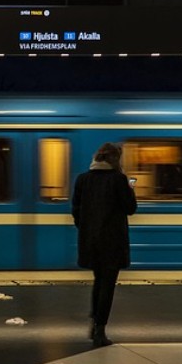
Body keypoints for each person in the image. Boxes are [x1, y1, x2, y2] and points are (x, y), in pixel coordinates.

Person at [71, 142, 138, 345]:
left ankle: (94, 325)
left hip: (91, 242)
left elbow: (76, 211)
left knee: (99, 281)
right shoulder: (119, 180)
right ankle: (100, 330)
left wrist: (87, 230)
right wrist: (131, 187)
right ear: (115, 160)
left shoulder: (82, 179)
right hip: (112, 242)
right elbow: (130, 208)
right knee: (107, 285)